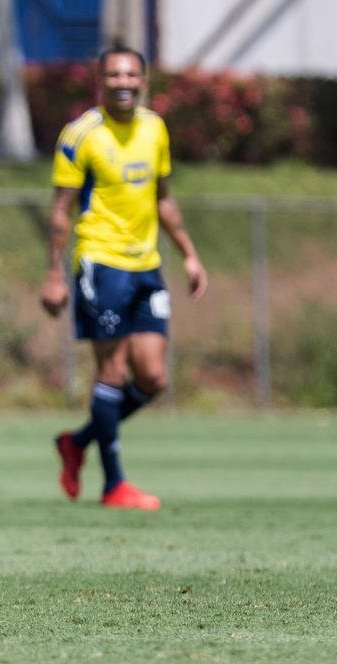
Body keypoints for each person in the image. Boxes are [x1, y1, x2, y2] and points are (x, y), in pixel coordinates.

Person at [40, 44, 208, 511]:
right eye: (113, 75)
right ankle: (114, 485)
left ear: (144, 81)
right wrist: (54, 274)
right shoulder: (81, 135)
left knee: (153, 378)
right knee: (111, 372)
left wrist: (190, 256)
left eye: (131, 74)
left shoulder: (155, 128)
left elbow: (164, 198)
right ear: (100, 81)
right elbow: (60, 209)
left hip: (147, 266)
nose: (123, 82)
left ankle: (77, 442)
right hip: (101, 262)